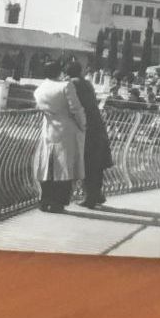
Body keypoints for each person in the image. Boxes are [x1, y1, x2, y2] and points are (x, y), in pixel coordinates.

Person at [33, 60, 86, 212]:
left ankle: (44, 200)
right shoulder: (65, 86)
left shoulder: (40, 88)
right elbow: (76, 109)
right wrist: (82, 125)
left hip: (48, 129)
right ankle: (58, 202)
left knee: (47, 166)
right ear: (59, 71)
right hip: (66, 130)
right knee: (64, 167)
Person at [65, 62, 113, 208]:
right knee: (96, 163)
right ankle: (96, 194)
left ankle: (90, 197)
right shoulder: (87, 84)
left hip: (85, 127)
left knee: (87, 162)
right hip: (97, 125)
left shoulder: (71, 84)